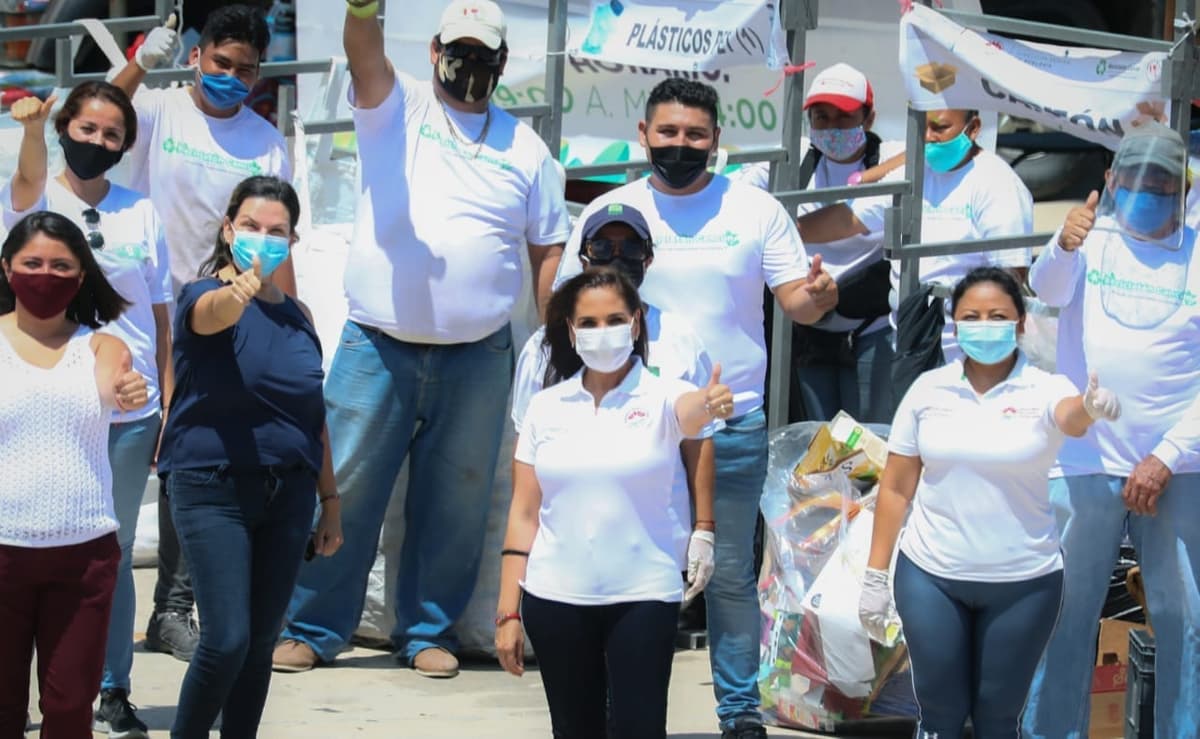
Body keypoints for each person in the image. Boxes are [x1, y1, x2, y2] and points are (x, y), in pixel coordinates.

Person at [273, 0, 570, 679]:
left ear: (502, 62)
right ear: (434, 51)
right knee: (343, 488)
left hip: (479, 353)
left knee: (457, 502)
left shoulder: (526, 148)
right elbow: (364, 51)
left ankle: (428, 630)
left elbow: (548, 246)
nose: (470, 63)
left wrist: (553, 336)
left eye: (483, 53)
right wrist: (362, 10)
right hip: (376, 344)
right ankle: (313, 627)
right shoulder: (397, 105)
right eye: (458, 49)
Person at [554, 78, 838, 738]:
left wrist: (819, 296)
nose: (680, 144)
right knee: (620, 571)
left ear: (716, 141)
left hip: (729, 423)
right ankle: (611, 712)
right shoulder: (611, 210)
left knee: (729, 574)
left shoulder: (756, 209)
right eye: (668, 132)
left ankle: (739, 713)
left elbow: (797, 301)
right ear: (643, 134)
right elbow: (571, 302)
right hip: (625, 425)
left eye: (695, 135)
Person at [860, 267, 1121, 739]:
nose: (984, 326)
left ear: (1021, 323)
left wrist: (1090, 408)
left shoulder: (1045, 387)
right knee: (940, 711)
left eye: (998, 316)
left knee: (997, 717)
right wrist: (875, 576)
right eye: (972, 317)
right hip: (931, 575)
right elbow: (896, 487)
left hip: (1024, 582)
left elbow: (1070, 417)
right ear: (955, 325)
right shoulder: (928, 390)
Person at [111, 3, 293, 662]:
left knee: (200, 460)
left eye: (245, 70)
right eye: (221, 62)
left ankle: (172, 608)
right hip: (148, 313)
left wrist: (289, 321)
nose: (231, 77)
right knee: (154, 455)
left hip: (225, 315)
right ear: (196, 56)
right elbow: (100, 115)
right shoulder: (158, 110)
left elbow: (277, 235)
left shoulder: (266, 141)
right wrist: (139, 64)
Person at [1, 81, 171, 739]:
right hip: (37, 394)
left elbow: (158, 312)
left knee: (112, 548)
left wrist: (159, 393)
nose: (97, 141)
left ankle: (112, 685)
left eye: (111, 134)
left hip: (122, 405)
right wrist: (32, 129)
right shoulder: (40, 197)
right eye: (86, 128)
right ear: (65, 128)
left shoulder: (141, 210)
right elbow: (25, 180)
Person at [495, 269, 732, 738]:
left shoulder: (665, 395)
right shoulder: (545, 406)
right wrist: (507, 612)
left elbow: (690, 413)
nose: (602, 332)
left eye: (615, 320)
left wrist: (709, 403)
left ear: (636, 323)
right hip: (554, 597)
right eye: (588, 323)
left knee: (639, 727)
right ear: (571, 331)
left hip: (643, 596)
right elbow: (523, 513)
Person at [1022, 122, 1200, 739]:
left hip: (1177, 470)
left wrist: (1167, 456)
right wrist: (1063, 245)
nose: (1147, 192)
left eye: (1162, 183)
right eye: (1135, 180)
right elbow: (1044, 289)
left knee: (1184, 620)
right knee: (1063, 617)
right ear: (1110, 180)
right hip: (1085, 461)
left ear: (1184, 190)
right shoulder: (1088, 241)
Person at [156, 176, 342, 738]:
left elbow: (312, 414)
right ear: (228, 229)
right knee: (226, 638)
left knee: (261, 642)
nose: (264, 238)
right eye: (252, 226)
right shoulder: (203, 296)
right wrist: (241, 289)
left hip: (289, 493)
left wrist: (330, 501)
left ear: (292, 240)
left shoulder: (299, 315)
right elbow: (212, 315)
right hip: (212, 487)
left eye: (276, 231)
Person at [0, 211, 148, 738]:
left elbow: (117, 382)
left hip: (84, 557)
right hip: (3, 551)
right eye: (32, 264)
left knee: (68, 709)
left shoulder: (101, 347)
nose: (46, 275)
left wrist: (128, 390)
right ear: (7, 268)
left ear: (82, 276)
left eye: (61, 266)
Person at [735, 63, 904, 423]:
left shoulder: (892, 158)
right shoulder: (791, 158)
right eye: (821, 117)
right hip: (809, 326)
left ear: (869, 118)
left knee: (870, 437)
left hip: (871, 326)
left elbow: (847, 219)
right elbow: (739, 200)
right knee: (817, 438)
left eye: (844, 116)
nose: (831, 127)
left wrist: (782, 229)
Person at [812, 108, 1034, 361]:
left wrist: (981, 340)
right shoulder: (915, 171)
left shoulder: (998, 183)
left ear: (973, 129)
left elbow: (1011, 275)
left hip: (970, 351)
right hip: (910, 343)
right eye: (922, 128)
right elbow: (847, 219)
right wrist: (787, 226)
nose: (928, 136)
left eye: (940, 128)